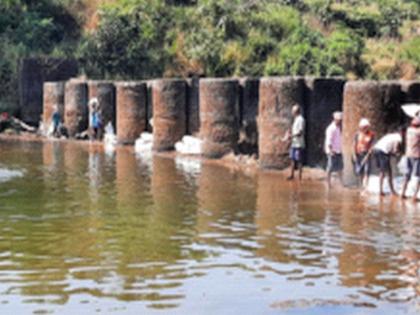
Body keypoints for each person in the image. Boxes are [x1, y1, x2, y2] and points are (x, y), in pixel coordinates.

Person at [372, 129, 404, 196]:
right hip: (382, 152)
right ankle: (391, 191)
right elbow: (395, 150)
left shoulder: (391, 135)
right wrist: (398, 154)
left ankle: (381, 190)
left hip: (375, 149)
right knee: (388, 172)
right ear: (403, 132)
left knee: (382, 171)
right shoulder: (399, 138)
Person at [401, 117, 420, 201]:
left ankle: (403, 193)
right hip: (417, 156)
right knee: (418, 176)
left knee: (407, 175)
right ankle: (415, 196)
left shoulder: (408, 131)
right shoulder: (418, 132)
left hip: (408, 155)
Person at [353, 118, 375, 187]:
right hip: (358, 154)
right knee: (360, 171)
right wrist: (354, 155)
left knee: (367, 171)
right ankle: (361, 185)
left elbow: (372, 144)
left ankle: (365, 187)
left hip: (367, 154)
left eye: (366, 127)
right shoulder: (357, 134)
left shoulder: (371, 134)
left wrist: (370, 151)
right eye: (363, 127)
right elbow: (354, 144)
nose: (365, 129)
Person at [287, 105, 305, 180]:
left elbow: (300, 132)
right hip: (294, 143)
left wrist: (291, 136)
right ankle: (292, 175)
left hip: (299, 144)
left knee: (299, 160)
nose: (291, 112)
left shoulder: (301, 119)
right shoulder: (296, 119)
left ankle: (299, 176)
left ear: (296, 111)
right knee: (292, 159)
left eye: (292, 111)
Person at [325, 111, 343, 187]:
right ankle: (328, 183)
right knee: (330, 167)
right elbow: (329, 140)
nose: (340, 121)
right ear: (335, 119)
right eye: (339, 120)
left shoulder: (338, 127)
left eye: (340, 120)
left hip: (338, 150)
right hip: (332, 151)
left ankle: (341, 183)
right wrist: (331, 150)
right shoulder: (331, 128)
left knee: (340, 167)